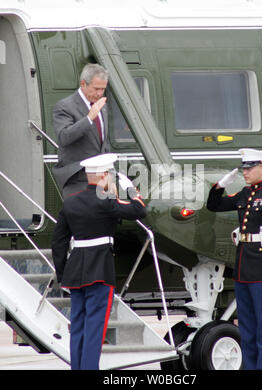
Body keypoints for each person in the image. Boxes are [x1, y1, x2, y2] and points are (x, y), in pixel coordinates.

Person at [51, 153, 147, 370]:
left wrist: (63, 273)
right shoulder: (106, 201)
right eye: (110, 175)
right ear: (104, 175)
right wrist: (131, 189)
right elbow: (140, 210)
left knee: (78, 328)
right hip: (100, 271)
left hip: (75, 273)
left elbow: (58, 242)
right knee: (95, 328)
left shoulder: (71, 202)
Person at [206, 148, 262, 370]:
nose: (245, 172)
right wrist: (220, 186)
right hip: (244, 270)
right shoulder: (246, 194)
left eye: (250, 168)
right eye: (243, 168)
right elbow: (214, 206)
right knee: (246, 326)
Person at [52, 63, 110, 199]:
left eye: (103, 89)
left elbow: (103, 142)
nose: (99, 93)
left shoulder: (102, 106)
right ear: (83, 84)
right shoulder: (64, 106)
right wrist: (89, 118)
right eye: (96, 88)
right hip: (78, 180)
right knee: (81, 220)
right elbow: (64, 137)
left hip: (102, 180)